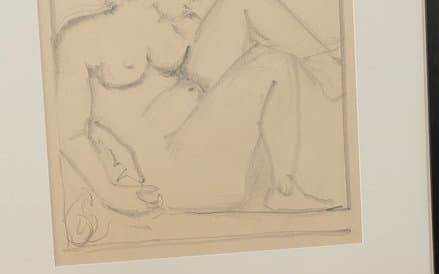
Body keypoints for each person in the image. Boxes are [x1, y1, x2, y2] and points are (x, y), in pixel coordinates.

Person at [52, 0, 346, 222]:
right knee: (272, 62)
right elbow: (70, 133)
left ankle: (329, 70)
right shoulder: (78, 38)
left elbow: (204, 71)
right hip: (176, 175)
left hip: (205, 140)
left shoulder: (168, 18)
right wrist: (111, 192)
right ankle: (333, 74)